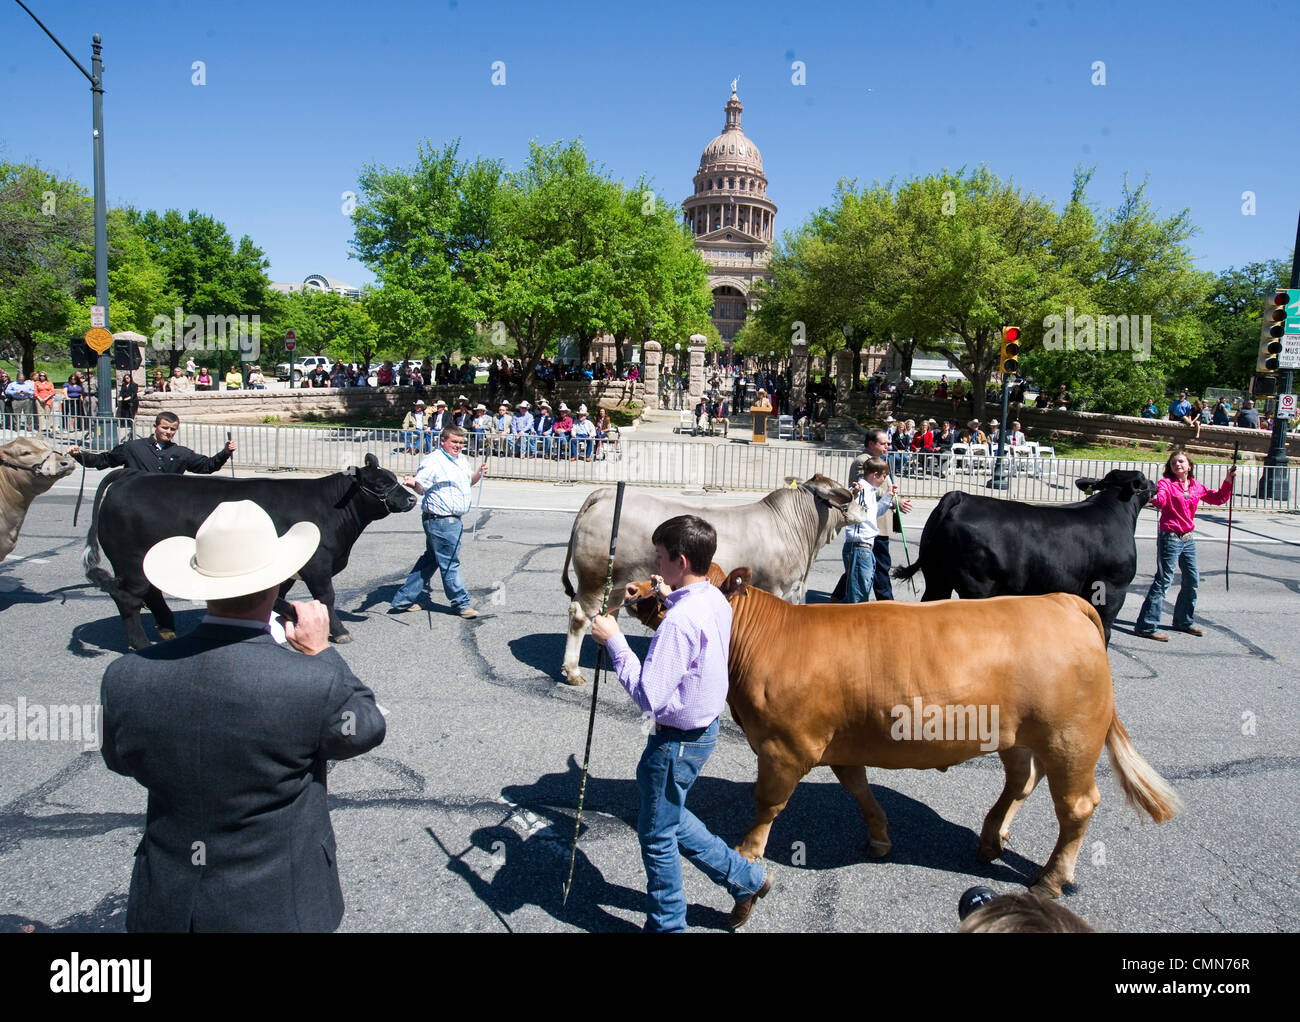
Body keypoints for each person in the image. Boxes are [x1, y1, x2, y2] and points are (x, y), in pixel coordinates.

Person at [100, 499, 386, 931]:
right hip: (279, 901)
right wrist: (322, 652)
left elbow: (120, 760)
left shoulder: (125, 675)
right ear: (279, 585)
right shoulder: (310, 681)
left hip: (168, 898)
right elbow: (365, 728)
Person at [589, 515, 771, 932]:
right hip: (702, 733)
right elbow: (693, 621)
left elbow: (649, 697)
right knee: (666, 815)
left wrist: (613, 640)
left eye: (659, 557)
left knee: (656, 836)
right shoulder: (713, 599)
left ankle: (668, 926)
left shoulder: (678, 624)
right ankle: (747, 878)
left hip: (675, 742)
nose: (653, 564)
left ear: (681, 559)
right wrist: (668, 595)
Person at [1134, 450, 1235, 642]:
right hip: (1170, 537)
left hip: (1188, 538)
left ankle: (1183, 621)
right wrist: (1151, 496)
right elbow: (1161, 500)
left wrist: (1228, 480)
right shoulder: (1166, 484)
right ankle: (1146, 626)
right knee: (1163, 581)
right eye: (1173, 463)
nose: (1177, 465)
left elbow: (1219, 498)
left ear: (1189, 465)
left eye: (1180, 462)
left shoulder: (1196, 486)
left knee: (1192, 580)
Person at [390, 425, 486, 619]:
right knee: (450, 563)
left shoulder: (461, 460)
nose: (458, 446)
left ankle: (403, 599)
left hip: (452, 521)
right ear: (443, 441)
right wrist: (413, 483)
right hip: (441, 521)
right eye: (454, 442)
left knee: (431, 560)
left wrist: (478, 473)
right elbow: (421, 486)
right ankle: (461, 604)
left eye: (461, 442)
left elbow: (469, 482)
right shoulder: (433, 461)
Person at [68, 410, 235, 473]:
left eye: (172, 429)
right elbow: (103, 460)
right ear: (155, 426)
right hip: (137, 503)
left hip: (167, 505)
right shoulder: (132, 448)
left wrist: (225, 453)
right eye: (164, 428)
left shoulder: (181, 453)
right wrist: (79, 455)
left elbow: (207, 466)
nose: (168, 432)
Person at [862, 428, 914, 600]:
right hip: (872, 523)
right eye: (883, 443)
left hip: (883, 520)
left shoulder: (881, 461)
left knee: (866, 563)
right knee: (881, 565)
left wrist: (897, 498)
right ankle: (887, 602)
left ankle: (838, 595)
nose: (887, 447)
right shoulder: (862, 461)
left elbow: (886, 488)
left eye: (888, 443)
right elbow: (866, 489)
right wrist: (894, 501)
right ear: (871, 444)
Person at [842, 458, 895, 603]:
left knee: (858, 592)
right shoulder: (861, 488)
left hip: (865, 548)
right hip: (859, 547)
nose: (885, 480)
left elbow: (874, 512)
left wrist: (888, 496)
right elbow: (849, 500)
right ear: (875, 475)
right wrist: (854, 492)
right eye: (884, 476)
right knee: (858, 596)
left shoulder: (870, 491)